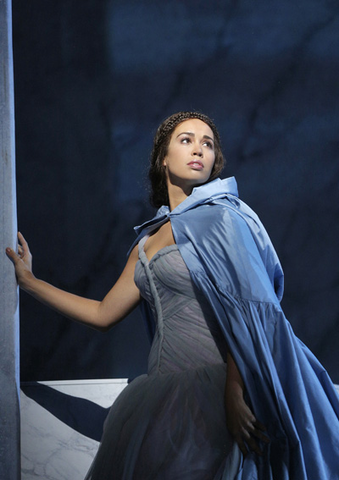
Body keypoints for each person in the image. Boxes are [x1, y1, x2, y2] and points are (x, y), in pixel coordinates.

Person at [6, 111, 339, 479]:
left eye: (207, 144)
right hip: (160, 399)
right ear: (162, 157)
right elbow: (103, 314)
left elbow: (251, 311)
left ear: (214, 163)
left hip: (218, 392)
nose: (198, 149)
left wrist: (234, 389)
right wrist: (31, 282)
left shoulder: (223, 220)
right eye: (186, 140)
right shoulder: (147, 241)